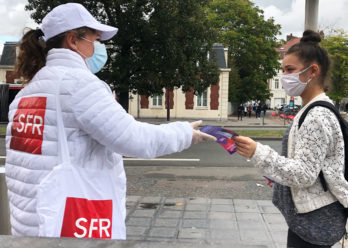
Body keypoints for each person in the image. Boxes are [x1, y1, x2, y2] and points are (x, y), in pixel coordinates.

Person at [5, 3, 216, 237]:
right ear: (73, 40)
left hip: (30, 223)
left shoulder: (27, 92)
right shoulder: (78, 85)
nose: (99, 47)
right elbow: (135, 140)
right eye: (95, 40)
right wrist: (184, 133)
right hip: (67, 223)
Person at [234, 30, 348, 247]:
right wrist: (277, 176)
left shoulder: (316, 115)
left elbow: (304, 175)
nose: (285, 76)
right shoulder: (313, 108)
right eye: (283, 70)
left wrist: (257, 153)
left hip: (314, 222)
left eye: (290, 70)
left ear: (312, 71)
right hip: (312, 217)